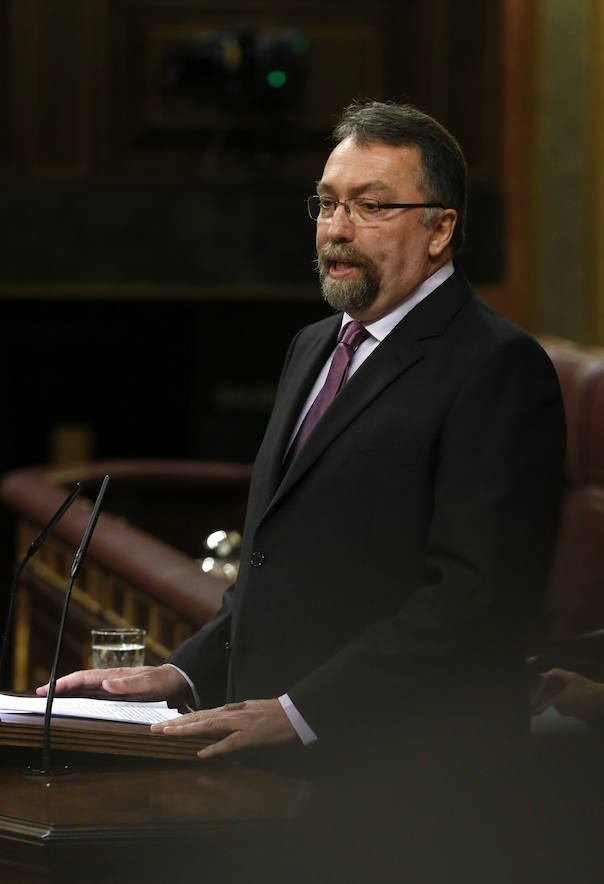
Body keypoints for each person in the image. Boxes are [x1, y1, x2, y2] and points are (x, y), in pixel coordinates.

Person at [39, 100, 565, 783]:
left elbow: (475, 601)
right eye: (325, 204)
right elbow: (276, 564)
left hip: (410, 784)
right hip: (280, 769)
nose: (337, 231)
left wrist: (300, 712)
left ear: (441, 229)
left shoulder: (497, 366)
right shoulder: (314, 346)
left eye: (370, 206)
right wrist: (183, 671)